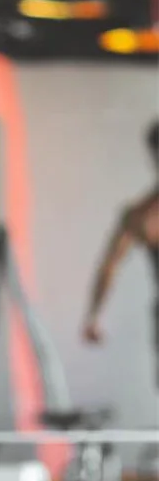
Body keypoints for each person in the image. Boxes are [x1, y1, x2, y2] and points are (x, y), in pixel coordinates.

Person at [82, 119, 159, 383]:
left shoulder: (142, 215)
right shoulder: (142, 215)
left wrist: (93, 316)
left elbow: (109, 266)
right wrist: (93, 315)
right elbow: (109, 267)